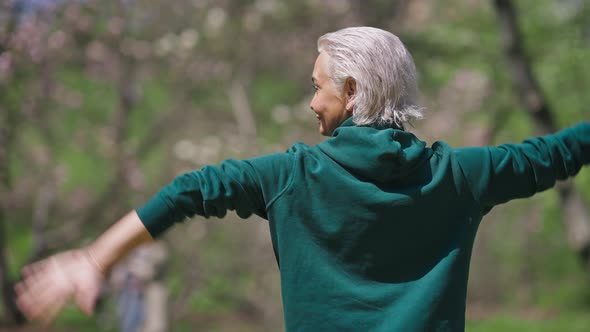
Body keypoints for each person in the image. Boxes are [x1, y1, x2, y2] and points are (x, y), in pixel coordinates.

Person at [14, 27, 590, 331]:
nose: (311, 101)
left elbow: (190, 191)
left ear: (353, 93)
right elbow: (560, 152)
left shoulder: (289, 177)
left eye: (319, 85)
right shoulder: (462, 177)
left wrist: (96, 259)